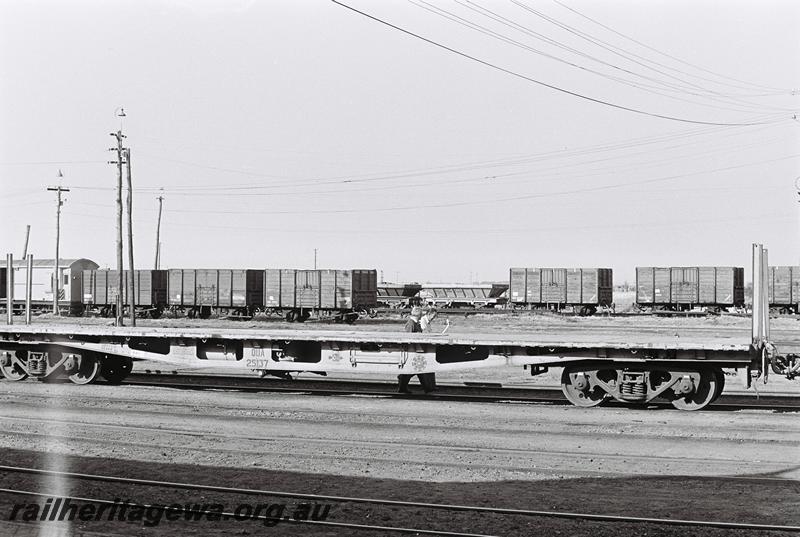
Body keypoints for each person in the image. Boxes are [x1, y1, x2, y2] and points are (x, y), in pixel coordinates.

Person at [397, 306, 437, 394]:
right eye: (421, 313)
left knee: (419, 369)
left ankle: (426, 388)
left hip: (417, 349)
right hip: (413, 350)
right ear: (418, 314)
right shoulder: (411, 324)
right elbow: (409, 338)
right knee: (418, 369)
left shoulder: (415, 323)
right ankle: (426, 388)